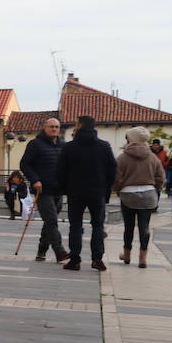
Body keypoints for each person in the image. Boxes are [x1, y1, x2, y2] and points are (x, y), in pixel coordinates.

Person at [56, 115, 117, 271]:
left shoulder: (69, 147)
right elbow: (112, 170)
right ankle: (97, 259)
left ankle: (75, 259)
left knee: (75, 226)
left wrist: (64, 188)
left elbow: (60, 171)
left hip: (75, 192)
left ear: (80, 125)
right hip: (98, 192)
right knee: (98, 225)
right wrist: (106, 189)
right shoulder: (104, 146)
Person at [19, 117, 71, 263]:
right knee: (52, 220)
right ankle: (59, 251)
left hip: (59, 190)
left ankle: (41, 251)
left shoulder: (63, 145)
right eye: (51, 126)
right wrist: (35, 180)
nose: (54, 129)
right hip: (43, 190)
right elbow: (25, 164)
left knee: (49, 222)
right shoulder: (35, 144)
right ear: (45, 128)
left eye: (56, 127)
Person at [112, 127, 164, 268]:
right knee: (144, 227)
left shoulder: (122, 157)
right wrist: (156, 189)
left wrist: (118, 190)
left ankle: (127, 254)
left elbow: (116, 177)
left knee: (128, 227)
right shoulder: (153, 157)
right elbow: (160, 176)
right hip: (148, 194)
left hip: (128, 194)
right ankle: (143, 258)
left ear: (131, 139)